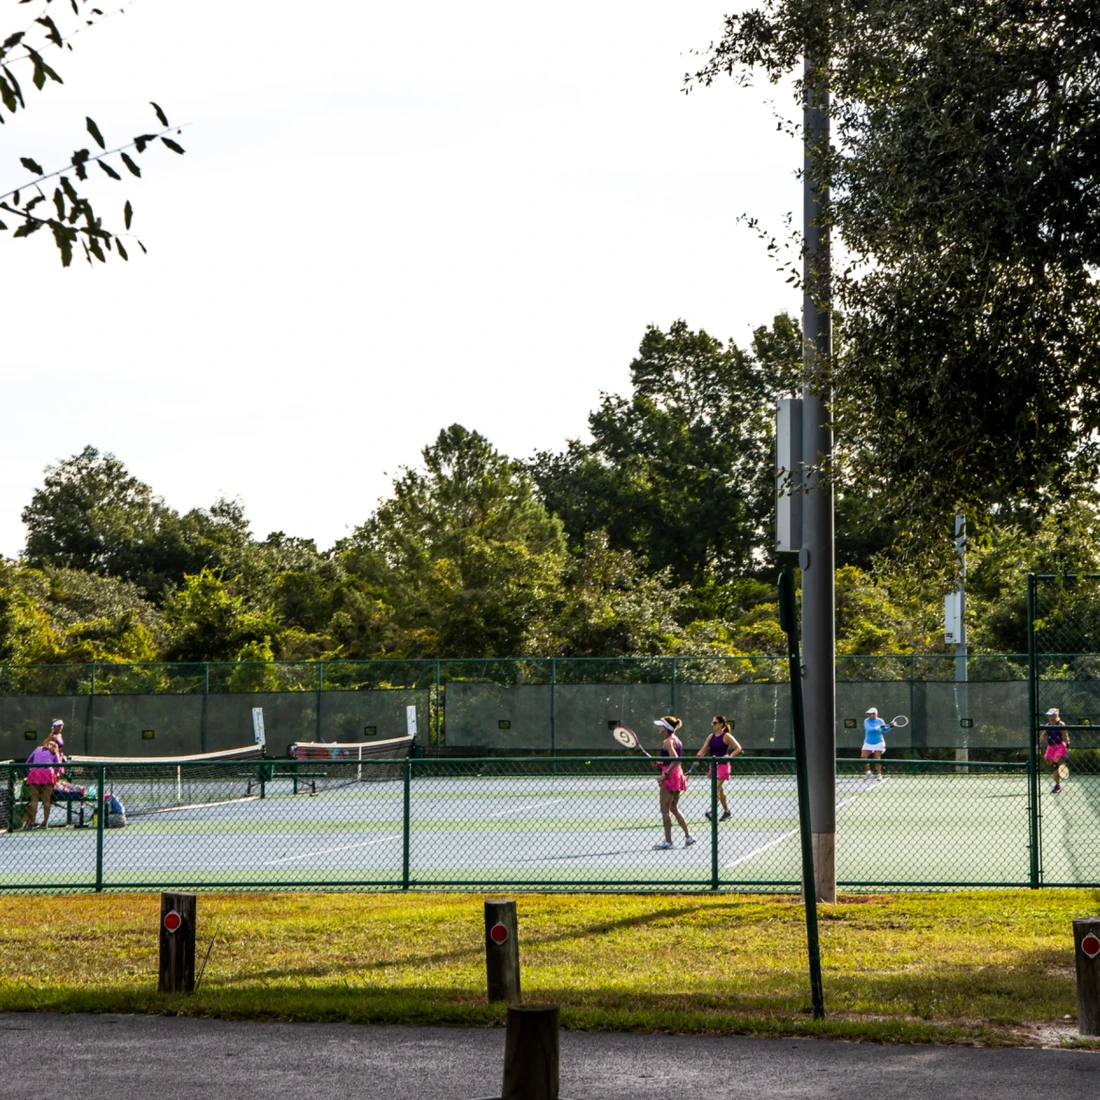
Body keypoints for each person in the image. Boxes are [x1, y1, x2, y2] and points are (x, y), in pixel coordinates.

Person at [653, 716, 695, 850]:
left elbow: (675, 759)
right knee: (674, 808)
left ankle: (668, 841)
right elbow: (671, 760)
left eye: (661, 725)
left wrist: (664, 775)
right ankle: (688, 837)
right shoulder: (676, 740)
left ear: (665, 728)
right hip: (677, 774)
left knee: (665, 810)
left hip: (670, 776)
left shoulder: (667, 741)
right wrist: (660, 764)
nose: (659, 727)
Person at [698, 715, 742, 821]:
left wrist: (730, 756)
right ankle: (727, 812)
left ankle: (713, 811)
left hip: (723, 766)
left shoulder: (726, 736)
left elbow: (738, 748)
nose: (713, 725)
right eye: (712, 723)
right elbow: (703, 750)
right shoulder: (711, 737)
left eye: (715, 723)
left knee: (716, 787)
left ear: (721, 724)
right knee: (719, 790)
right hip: (713, 766)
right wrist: (697, 759)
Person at [24, 736, 62, 829]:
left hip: (34, 774)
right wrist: (56, 774)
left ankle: (32, 823)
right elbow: (58, 766)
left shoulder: (37, 749)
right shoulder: (54, 751)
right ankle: (45, 823)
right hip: (47, 774)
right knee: (47, 800)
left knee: (34, 800)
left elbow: (27, 762)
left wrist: (30, 773)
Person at [1039, 707, 1070, 794]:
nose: (1048, 716)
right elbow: (1043, 735)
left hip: (1060, 746)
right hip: (1051, 748)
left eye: (1051, 715)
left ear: (1055, 715)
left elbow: (1065, 736)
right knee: (1054, 767)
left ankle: (1057, 786)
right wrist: (1038, 744)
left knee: (1055, 764)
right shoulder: (1048, 725)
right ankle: (1057, 785)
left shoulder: (1061, 724)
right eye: (1048, 715)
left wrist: (1068, 746)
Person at [862, 706, 889, 781]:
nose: (870, 715)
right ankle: (868, 772)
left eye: (871, 714)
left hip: (878, 742)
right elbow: (869, 729)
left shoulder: (880, 720)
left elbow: (885, 730)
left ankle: (878, 774)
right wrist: (879, 726)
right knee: (863, 756)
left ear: (875, 714)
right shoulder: (866, 721)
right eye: (869, 714)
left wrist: (890, 727)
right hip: (868, 742)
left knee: (877, 759)